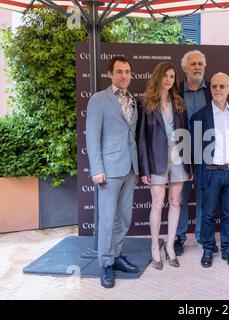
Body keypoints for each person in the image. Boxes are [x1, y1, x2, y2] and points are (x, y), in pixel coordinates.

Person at [86, 56, 140, 289]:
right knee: (107, 219)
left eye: (127, 71)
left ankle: (116, 256)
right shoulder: (99, 100)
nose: (124, 75)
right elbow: (92, 136)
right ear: (110, 74)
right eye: (119, 71)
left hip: (130, 168)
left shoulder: (132, 99)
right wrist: (97, 169)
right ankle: (105, 263)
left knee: (124, 217)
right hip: (108, 170)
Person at [137, 61, 191, 269]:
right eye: (165, 76)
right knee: (158, 203)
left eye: (172, 76)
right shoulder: (146, 103)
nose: (169, 80)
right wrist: (144, 168)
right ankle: (154, 246)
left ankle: (169, 246)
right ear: (158, 77)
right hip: (156, 158)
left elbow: (185, 136)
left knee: (176, 201)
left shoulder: (179, 102)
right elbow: (141, 139)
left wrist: (189, 167)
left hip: (178, 156)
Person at [190, 72, 229, 268]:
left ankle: (227, 248)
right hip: (209, 173)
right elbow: (193, 150)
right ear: (210, 90)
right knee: (208, 214)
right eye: (214, 86)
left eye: (222, 86)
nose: (218, 89)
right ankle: (208, 249)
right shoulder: (199, 116)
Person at [175, 50, 214, 256]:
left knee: (203, 196)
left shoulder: (212, 90)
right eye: (193, 64)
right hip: (181, 150)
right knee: (180, 198)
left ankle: (201, 236)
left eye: (200, 63)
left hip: (206, 151)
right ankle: (179, 237)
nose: (197, 67)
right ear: (185, 68)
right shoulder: (176, 90)